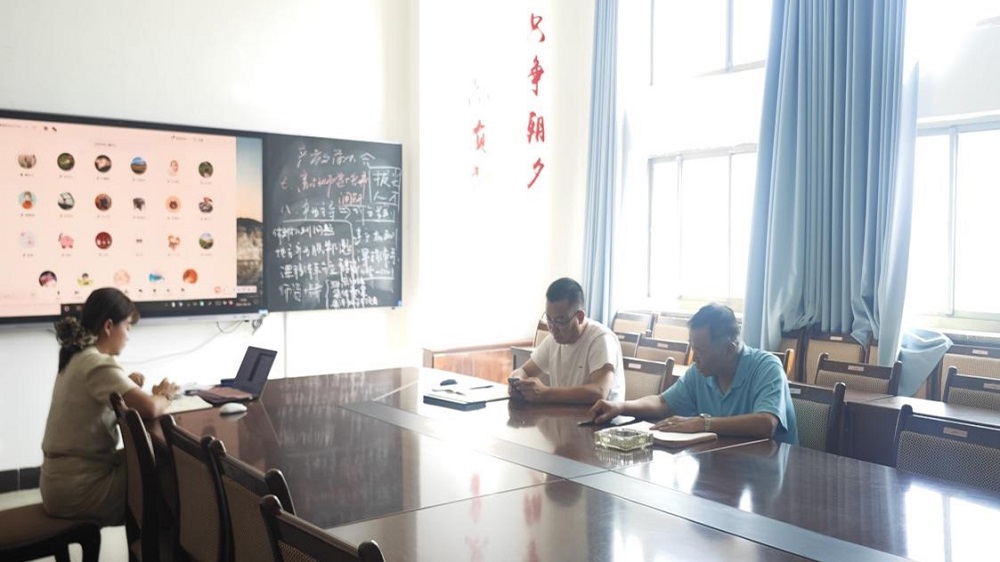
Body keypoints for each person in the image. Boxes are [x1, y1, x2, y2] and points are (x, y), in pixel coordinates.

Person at [40, 287, 179, 525]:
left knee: (150, 459)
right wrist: (166, 394)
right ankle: (178, 540)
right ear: (108, 326)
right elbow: (150, 408)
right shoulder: (95, 363)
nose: (128, 335)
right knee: (171, 468)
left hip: (60, 481)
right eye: (127, 327)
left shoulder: (78, 356)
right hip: (79, 488)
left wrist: (126, 383)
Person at [588, 303, 798, 444]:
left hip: (769, 472)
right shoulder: (701, 371)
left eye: (700, 350)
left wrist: (703, 423)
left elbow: (766, 424)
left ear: (729, 349)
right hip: (724, 464)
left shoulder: (767, 367)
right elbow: (662, 403)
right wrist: (620, 407)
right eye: (692, 348)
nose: (694, 357)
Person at [508, 277, 625, 404]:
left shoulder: (601, 339)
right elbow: (524, 371)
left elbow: (600, 391)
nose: (553, 328)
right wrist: (517, 382)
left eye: (560, 321)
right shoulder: (553, 340)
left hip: (600, 416)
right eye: (549, 319)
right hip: (565, 414)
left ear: (579, 317)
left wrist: (546, 393)